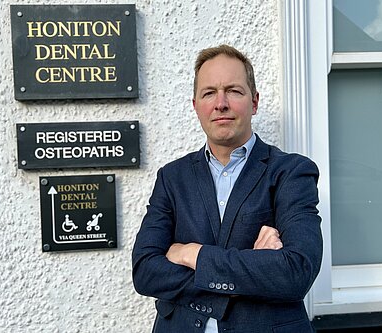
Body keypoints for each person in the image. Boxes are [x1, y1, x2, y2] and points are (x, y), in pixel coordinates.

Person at [132, 44, 322, 333]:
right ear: (195, 106)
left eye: (233, 90)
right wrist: (252, 272)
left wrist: (191, 254)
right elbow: (146, 271)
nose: (220, 103)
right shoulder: (172, 178)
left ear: (254, 102)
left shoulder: (291, 173)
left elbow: (296, 272)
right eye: (209, 93)